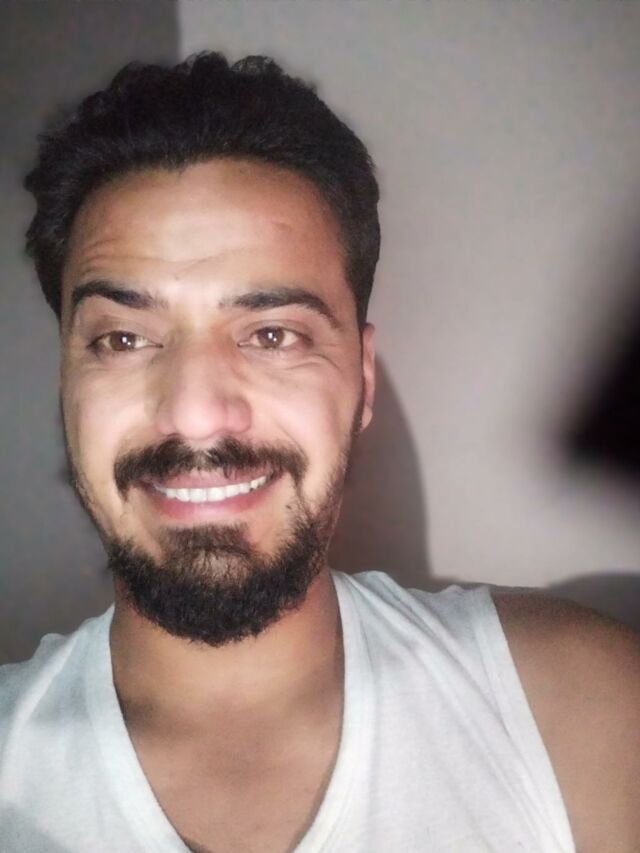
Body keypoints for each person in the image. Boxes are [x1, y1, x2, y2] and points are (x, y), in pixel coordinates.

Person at [1, 52, 639, 853]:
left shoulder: (584, 707)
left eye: (273, 334)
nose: (195, 413)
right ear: (67, 382)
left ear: (361, 381)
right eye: (123, 338)